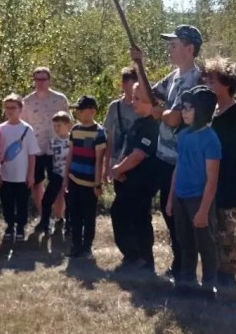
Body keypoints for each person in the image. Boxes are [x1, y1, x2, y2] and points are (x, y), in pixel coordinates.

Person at [131, 25, 204, 279]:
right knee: (168, 209)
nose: (169, 50)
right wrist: (139, 65)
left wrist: (157, 113)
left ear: (190, 49)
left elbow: (174, 118)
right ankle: (179, 262)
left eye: (174, 45)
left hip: (183, 159)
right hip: (164, 155)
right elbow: (152, 96)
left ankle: (186, 267)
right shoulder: (173, 77)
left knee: (181, 214)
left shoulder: (197, 79)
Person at [204, 58, 236, 292]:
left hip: (230, 185)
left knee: (228, 234)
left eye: (212, 80)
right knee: (213, 230)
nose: (207, 83)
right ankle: (215, 273)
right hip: (210, 183)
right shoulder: (212, 111)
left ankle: (229, 278)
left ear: (226, 83)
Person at [167, 85, 221, 298]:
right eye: (183, 107)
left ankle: (209, 286)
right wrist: (172, 198)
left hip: (199, 200)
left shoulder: (211, 139)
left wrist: (203, 210)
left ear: (202, 110)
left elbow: (213, 178)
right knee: (185, 242)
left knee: (205, 244)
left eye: (189, 108)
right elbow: (178, 167)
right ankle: (187, 280)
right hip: (180, 197)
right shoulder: (184, 135)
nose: (184, 112)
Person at [110, 82, 160, 273]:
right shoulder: (138, 122)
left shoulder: (151, 126)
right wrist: (118, 169)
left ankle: (144, 258)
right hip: (128, 181)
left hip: (142, 183)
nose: (132, 102)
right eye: (132, 98)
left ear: (150, 103)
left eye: (137, 99)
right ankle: (132, 255)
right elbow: (128, 150)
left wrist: (118, 169)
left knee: (139, 218)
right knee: (122, 214)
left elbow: (139, 154)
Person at [22, 66, 70, 217]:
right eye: (37, 79)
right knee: (36, 183)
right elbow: (23, 127)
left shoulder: (60, 99)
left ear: (49, 80)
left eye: (44, 79)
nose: (41, 82)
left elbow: (69, 123)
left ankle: (59, 216)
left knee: (58, 185)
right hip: (35, 149)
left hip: (57, 149)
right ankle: (44, 214)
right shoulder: (27, 102)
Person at [64, 96, 107, 258]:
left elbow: (99, 160)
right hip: (74, 179)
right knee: (74, 215)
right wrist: (66, 177)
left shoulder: (99, 132)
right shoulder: (75, 130)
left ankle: (87, 247)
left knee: (88, 216)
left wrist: (97, 184)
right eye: (77, 111)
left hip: (89, 182)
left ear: (92, 111)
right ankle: (76, 245)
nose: (78, 113)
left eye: (80, 110)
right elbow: (70, 155)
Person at [0, 94, 40, 241]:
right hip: (6, 174)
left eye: (13, 107)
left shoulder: (27, 129)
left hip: (22, 175)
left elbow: (32, 154)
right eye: (7, 108)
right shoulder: (0, 129)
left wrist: (31, 174)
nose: (10, 111)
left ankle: (20, 227)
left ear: (20, 109)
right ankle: (10, 227)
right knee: (7, 203)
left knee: (22, 203)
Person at [38, 110, 72, 235]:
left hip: (70, 176)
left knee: (70, 202)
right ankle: (45, 223)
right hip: (57, 174)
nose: (56, 128)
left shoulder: (72, 141)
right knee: (47, 200)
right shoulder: (53, 141)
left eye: (59, 125)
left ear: (68, 125)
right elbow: (49, 159)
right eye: (55, 125)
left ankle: (69, 226)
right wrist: (51, 175)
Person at [104, 67, 140, 180]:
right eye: (130, 87)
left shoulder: (140, 109)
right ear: (123, 85)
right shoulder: (114, 107)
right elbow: (109, 138)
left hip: (133, 163)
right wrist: (106, 166)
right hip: (115, 160)